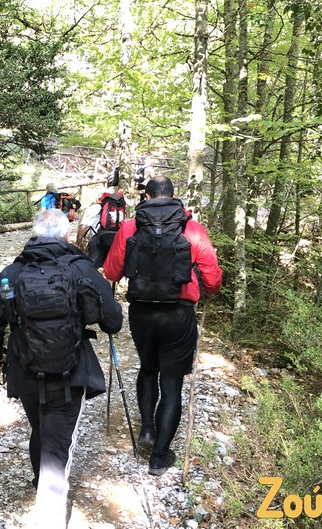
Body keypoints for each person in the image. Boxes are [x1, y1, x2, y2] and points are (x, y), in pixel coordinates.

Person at [0, 209, 123, 529]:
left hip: (25, 372)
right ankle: (49, 515)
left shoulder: (12, 274)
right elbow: (113, 321)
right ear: (67, 236)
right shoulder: (81, 268)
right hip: (71, 373)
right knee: (57, 443)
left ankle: (40, 485)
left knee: (42, 430)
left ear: (34, 234)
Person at [103, 176, 222, 476]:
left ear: (146, 196)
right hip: (179, 314)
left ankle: (147, 428)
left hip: (142, 312)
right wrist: (209, 290)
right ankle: (159, 458)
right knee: (171, 383)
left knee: (147, 368)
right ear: (173, 195)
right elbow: (212, 278)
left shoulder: (130, 227)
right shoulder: (191, 229)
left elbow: (112, 271)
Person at [75, 191, 103, 264]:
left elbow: (83, 227)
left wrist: (77, 243)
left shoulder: (93, 208)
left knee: (93, 266)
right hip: (113, 240)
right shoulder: (114, 208)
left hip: (97, 239)